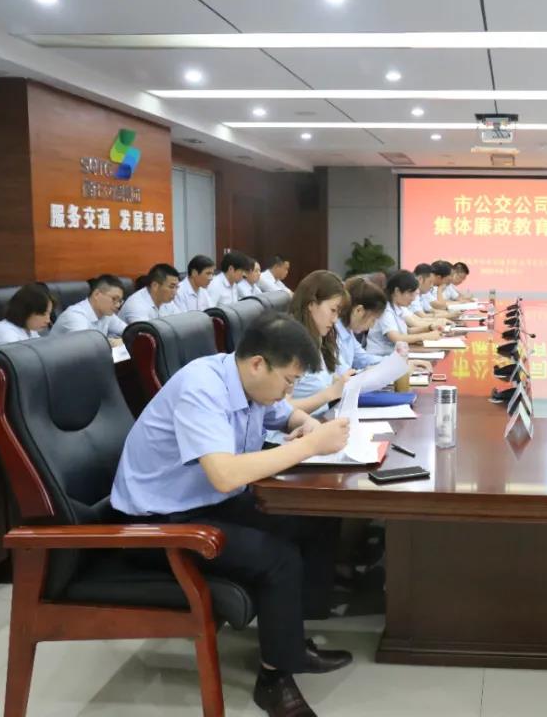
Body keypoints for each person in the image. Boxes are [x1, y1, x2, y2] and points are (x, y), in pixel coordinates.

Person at [109, 311, 353, 717]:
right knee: (277, 558)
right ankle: (273, 681)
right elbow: (224, 476)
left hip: (202, 503)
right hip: (156, 524)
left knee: (313, 517)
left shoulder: (248, 382)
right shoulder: (202, 388)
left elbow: (285, 414)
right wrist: (311, 446)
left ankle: (291, 642)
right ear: (258, 363)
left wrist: (309, 425)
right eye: (288, 380)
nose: (289, 390)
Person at [289, 271, 354, 416]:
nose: (335, 319)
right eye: (333, 310)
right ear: (311, 304)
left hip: (321, 421)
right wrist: (329, 394)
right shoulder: (290, 344)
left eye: (338, 313)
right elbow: (279, 411)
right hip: (297, 429)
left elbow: (324, 380)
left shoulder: (318, 337)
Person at [339, 276, 432, 375]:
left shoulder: (348, 331)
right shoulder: (335, 334)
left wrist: (402, 363)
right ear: (359, 311)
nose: (372, 326)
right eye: (373, 320)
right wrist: (393, 368)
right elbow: (343, 375)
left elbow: (363, 358)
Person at [366, 270, 441, 355]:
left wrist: (428, 328)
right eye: (410, 294)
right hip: (380, 356)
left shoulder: (397, 307)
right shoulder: (386, 310)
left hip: (395, 354)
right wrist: (423, 336)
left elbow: (406, 331)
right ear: (397, 291)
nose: (413, 298)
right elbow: (396, 338)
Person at [52, 274, 128, 342]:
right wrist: (113, 342)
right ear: (96, 294)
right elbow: (85, 346)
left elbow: (128, 331)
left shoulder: (106, 313)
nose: (118, 305)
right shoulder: (75, 316)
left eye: (120, 301)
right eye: (114, 299)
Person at [0, 283, 54, 347]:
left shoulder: (30, 330)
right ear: (25, 311)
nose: (48, 320)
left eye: (49, 314)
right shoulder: (6, 334)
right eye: (43, 314)